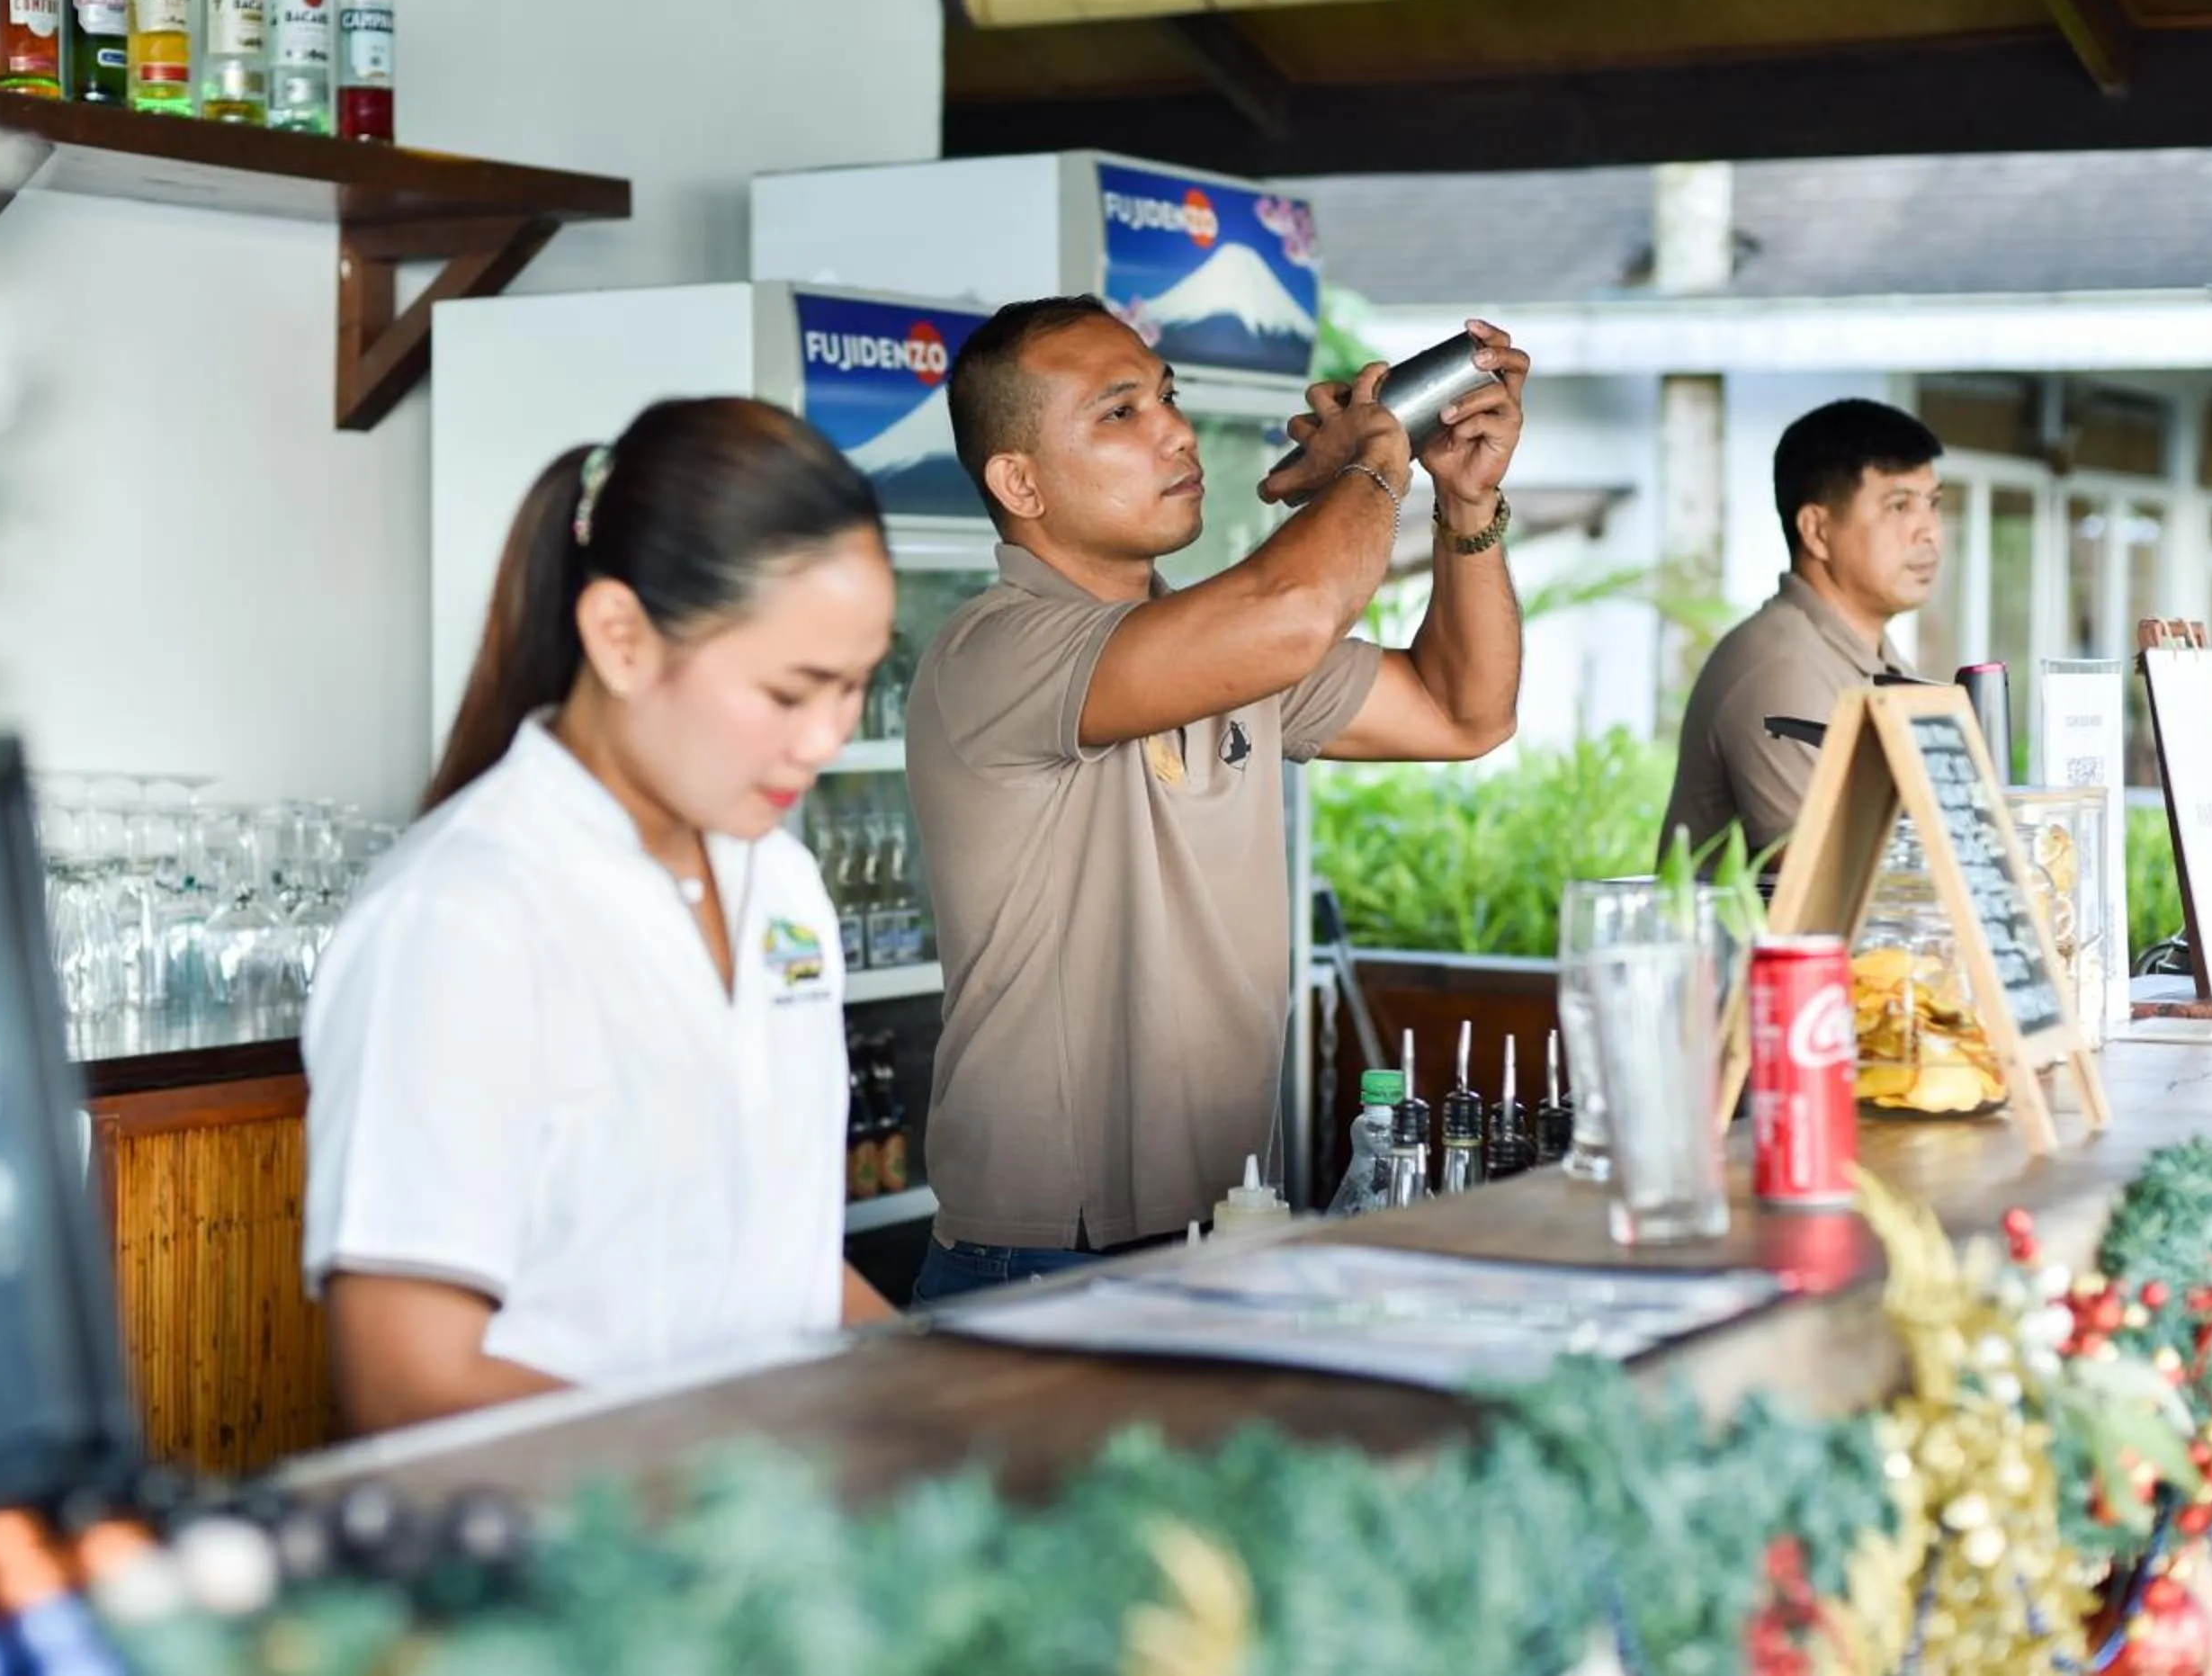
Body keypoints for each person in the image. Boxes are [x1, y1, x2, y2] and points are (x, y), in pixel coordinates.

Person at [904, 297, 1528, 1300]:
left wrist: (1465, 506)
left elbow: (1466, 711)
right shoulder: (995, 648)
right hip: (1045, 1259)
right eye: (1120, 414)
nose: (1174, 430)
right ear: (1019, 481)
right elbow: (1288, 613)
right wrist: (1376, 457)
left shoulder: (1221, 648)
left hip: (1227, 1227)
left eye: (1168, 397)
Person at [302, 399, 899, 1436]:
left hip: (783, 1551)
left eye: (855, 688)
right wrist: (740, 1477)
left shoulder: (784, 884)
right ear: (621, 638)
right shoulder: (463, 917)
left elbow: (778, 1255)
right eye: (791, 690)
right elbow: (408, 1382)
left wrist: (941, 1386)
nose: (825, 741)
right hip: (584, 1563)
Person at [1660, 399, 1944, 862]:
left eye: (1933, 504)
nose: (1929, 530)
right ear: (1816, 530)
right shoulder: (1781, 669)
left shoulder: (1874, 658)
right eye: (1899, 506)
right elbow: (1827, 881)